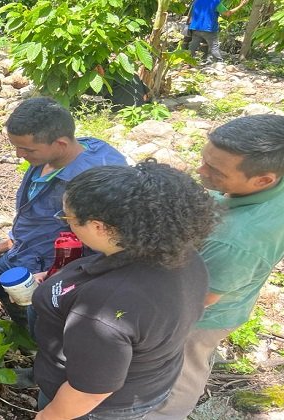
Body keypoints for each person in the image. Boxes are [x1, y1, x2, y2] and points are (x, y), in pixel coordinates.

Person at [147, 114, 284, 419]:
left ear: (263, 180)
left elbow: (201, 299)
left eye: (215, 171)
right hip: (233, 278)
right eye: (205, 159)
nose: (200, 170)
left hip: (206, 315)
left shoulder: (235, 240)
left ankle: (166, 414)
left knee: (184, 367)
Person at [33, 160, 217, 419]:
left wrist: (47, 416)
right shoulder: (181, 254)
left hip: (98, 409)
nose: (65, 223)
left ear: (99, 226)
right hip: (151, 379)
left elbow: (89, 392)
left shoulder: (102, 312)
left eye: (67, 217)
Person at [0, 97, 127, 328]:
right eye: (16, 146)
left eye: (26, 149)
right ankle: (22, 324)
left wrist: (64, 274)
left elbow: (109, 240)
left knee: (41, 317)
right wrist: (13, 238)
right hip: (26, 249)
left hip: (49, 265)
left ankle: (36, 338)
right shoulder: (56, 154)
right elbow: (36, 210)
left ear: (61, 143)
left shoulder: (93, 182)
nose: (18, 154)